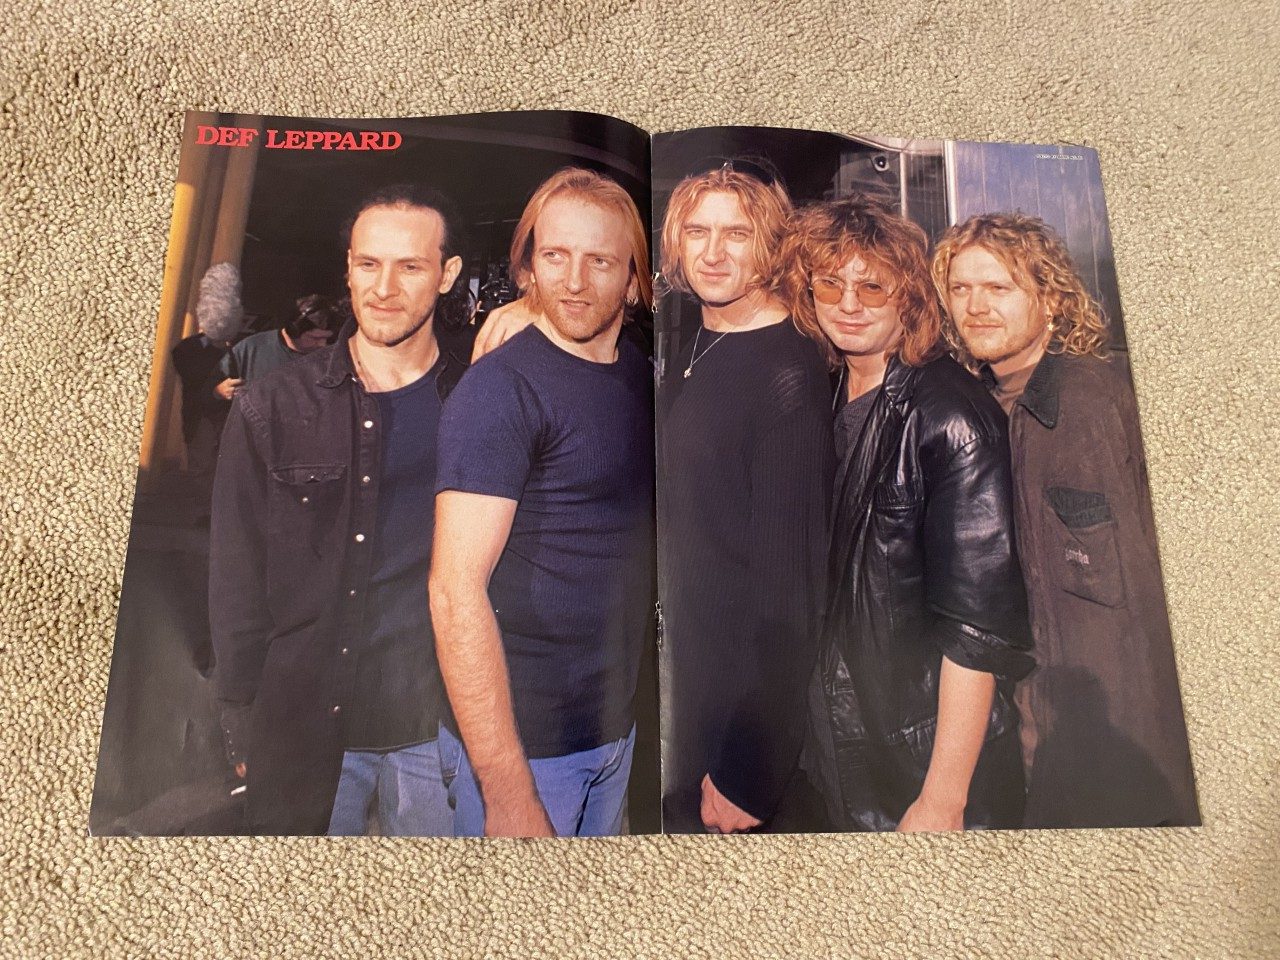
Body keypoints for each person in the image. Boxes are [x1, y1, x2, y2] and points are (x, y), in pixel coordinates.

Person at [209, 184, 470, 835]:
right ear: (348, 267)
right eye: (368, 264)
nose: (384, 288)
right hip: (305, 731)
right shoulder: (272, 405)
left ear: (447, 275)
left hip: (438, 733)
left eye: (410, 266)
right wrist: (239, 714)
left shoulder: (480, 395)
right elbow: (236, 573)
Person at [933, 212, 1199, 828]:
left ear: (1050, 298)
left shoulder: (1106, 400)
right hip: (1031, 735)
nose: (975, 306)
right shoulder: (974, 408)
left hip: (1124, 753)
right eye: (961, 288)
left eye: (998, 287)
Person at [782, 197, 1034, 832]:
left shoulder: (953, 417)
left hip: (917, 765)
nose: (849, 303)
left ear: (911, 296)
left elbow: (977, 630)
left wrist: (943, 797)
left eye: (873, 286)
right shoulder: (825, 387)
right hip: (838, 747)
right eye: (830, 284)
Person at [430, 168, 654, 837]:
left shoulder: (637, 372)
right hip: (527, 751)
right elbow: (453, 593)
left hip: (612, 732)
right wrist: (506, 790)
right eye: (555, 256)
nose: (574, 281)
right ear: (528, 267)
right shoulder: (500, 389)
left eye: (600, 261)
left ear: (635, 278)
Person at [656, 164, 834, 834]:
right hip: (688, 682)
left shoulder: (786, 373)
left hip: (736, 717)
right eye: (697, 231)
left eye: (736, 233)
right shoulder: (696, 337)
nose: (712, 252)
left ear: (772, 245)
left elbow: (792, 596)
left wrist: (749, 770)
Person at [212, 294, 343, 401]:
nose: (323, 344)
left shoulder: (330, 357)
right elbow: (207, 394)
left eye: (327, 338)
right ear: (293, 330)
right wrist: (218, 392)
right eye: (315, 338)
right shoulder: (249, 349)